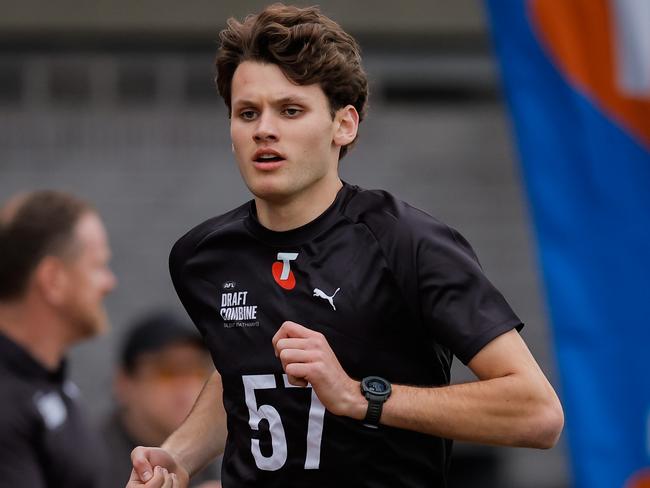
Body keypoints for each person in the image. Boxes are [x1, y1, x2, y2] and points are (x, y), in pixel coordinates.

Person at [127, 4, 565, 487]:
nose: (264, 129)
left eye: (290, 110)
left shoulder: (409, 242)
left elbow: (537, 413)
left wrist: (361, 397)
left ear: (344, 125)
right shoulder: (201, 256)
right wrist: (179, 455)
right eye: (247, 112)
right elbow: (242, 374)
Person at [0, 190, 117, 488]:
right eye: (98, 266)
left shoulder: (47, 379)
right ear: (53, 279)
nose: (109, 283)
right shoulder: (8, 403)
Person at [100, 310, 221, 488]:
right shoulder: (91, 458)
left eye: (196, 369)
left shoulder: (202, 452)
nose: (185, 386)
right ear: (124, 383)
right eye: (167, 371)